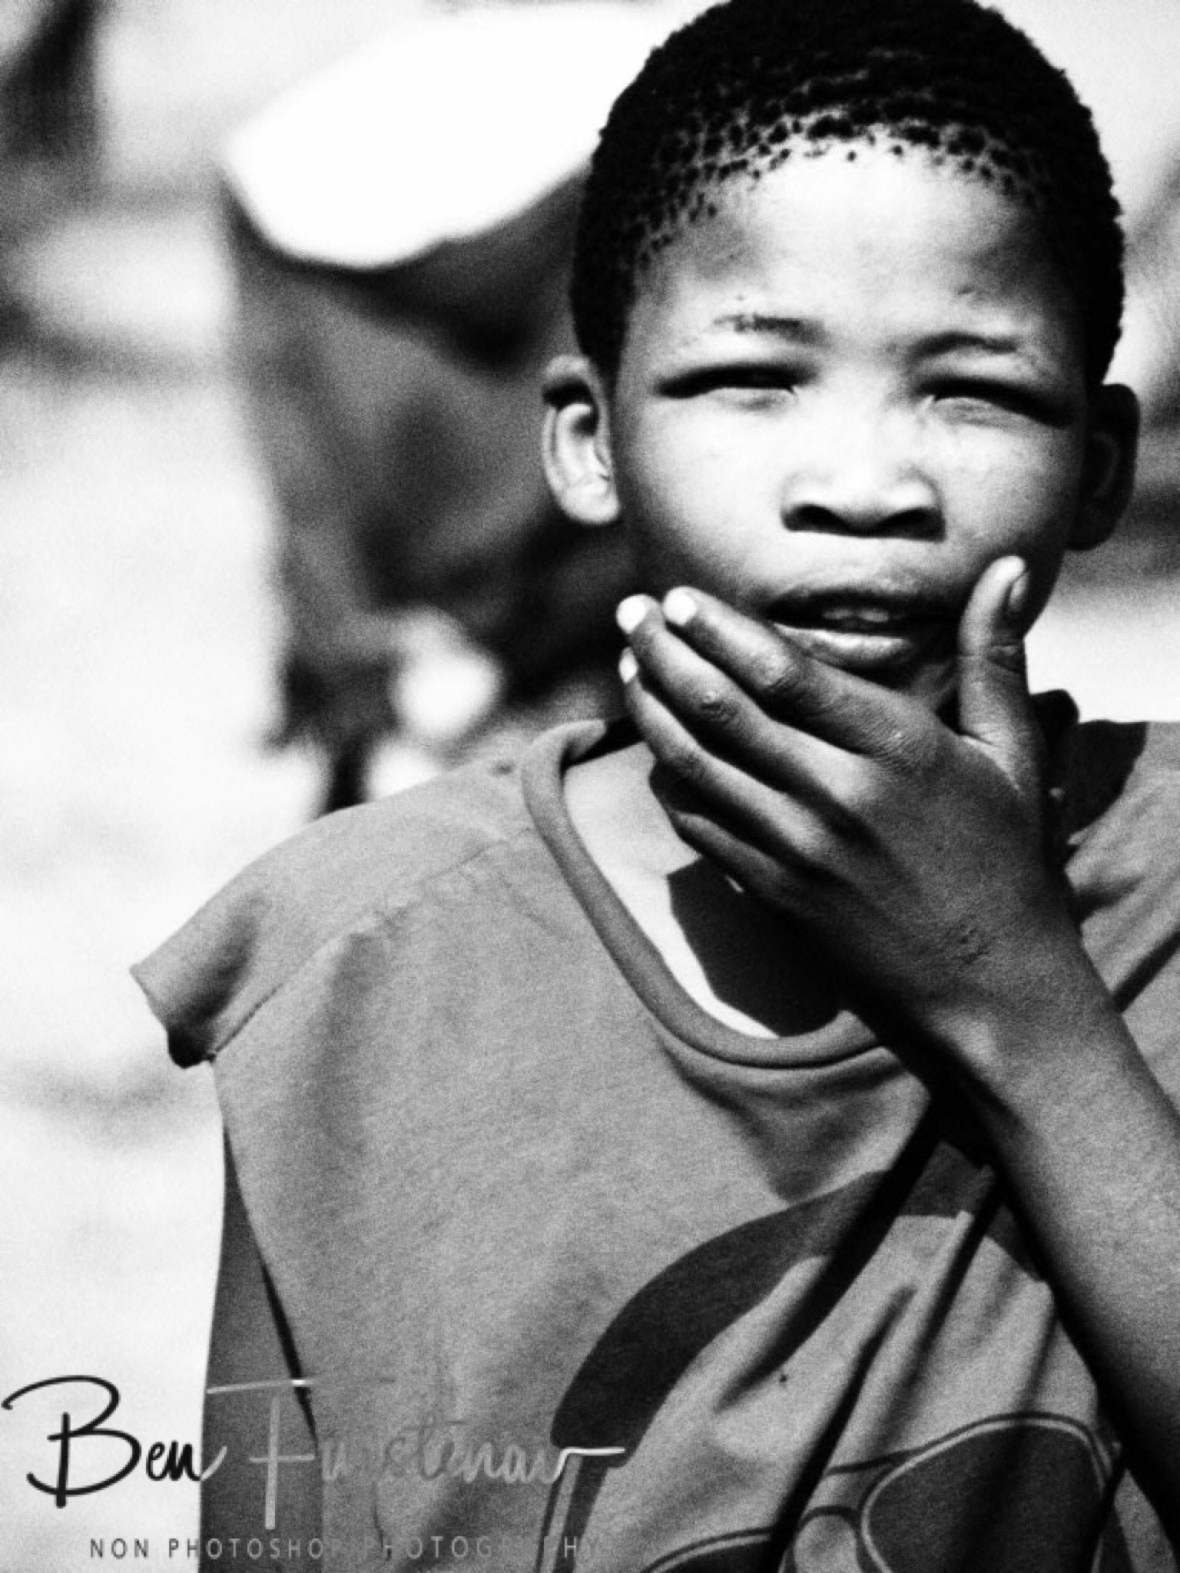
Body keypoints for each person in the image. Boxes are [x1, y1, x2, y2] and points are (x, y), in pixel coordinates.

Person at [136, 0, 1180, 1567]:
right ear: (586, 441)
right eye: (753, 377)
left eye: (973, 389)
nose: (864, 485)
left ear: (1097, 462)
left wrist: (1015, 996)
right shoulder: (352, 962)